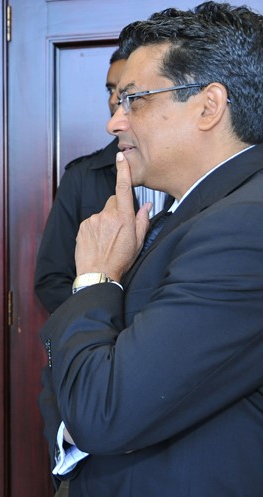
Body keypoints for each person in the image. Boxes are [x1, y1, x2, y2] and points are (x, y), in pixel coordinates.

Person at [41, 2, 263, 497]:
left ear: (208, 106)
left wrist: (94, 279)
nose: (115, 121)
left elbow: (105, 410)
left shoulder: (251, 230)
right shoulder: (210, 213)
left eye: (134, 100)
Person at [33, 48, 168, 313]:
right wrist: (107, 322)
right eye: (111, 90)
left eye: (128, 92)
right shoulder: (82, 176)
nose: (115, 99)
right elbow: (51, 279)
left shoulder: (189, 172)